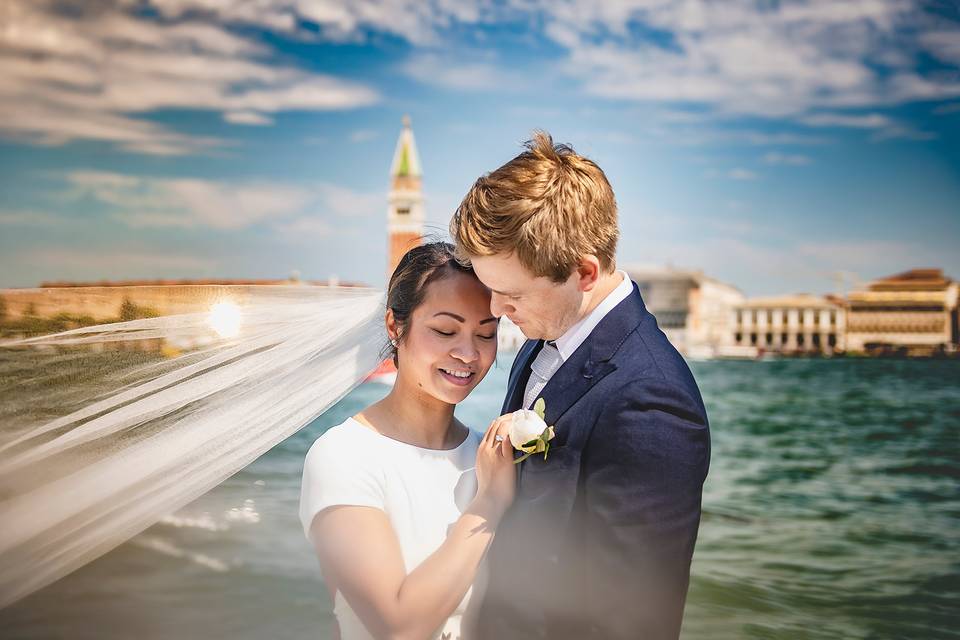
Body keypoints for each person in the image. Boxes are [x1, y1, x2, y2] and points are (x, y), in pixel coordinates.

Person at [450, 132, 711, 640]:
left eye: (511, 294)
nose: (496, 311)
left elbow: (634, 618)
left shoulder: (651, 401)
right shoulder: (541, 336)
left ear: (584, 272)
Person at [299, 242, 516, 640]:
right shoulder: (344, 456)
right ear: (395, 326)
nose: (468, 353)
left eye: (486, 334)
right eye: (445, 330)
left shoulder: (492, 458)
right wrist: (489, 504)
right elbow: (398, 627)